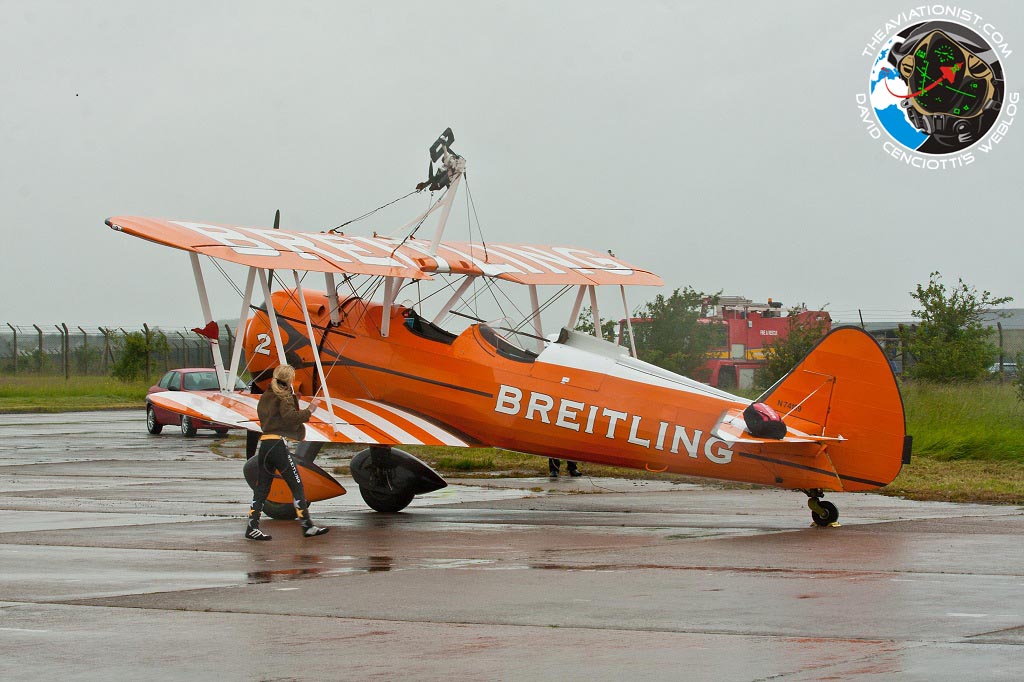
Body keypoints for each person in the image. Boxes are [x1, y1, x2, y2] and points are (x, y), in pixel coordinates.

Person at [245, 364, 329, 540]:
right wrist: (310, 410)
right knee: (296, 485)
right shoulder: (284, 395)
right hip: (278, 445)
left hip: (265, 444)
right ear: (290, 378)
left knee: (262, 489)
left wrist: (294, 401)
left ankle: (252, 527)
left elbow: (274, 416)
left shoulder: (266, 396)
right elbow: (290, 417)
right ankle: (307, 525)